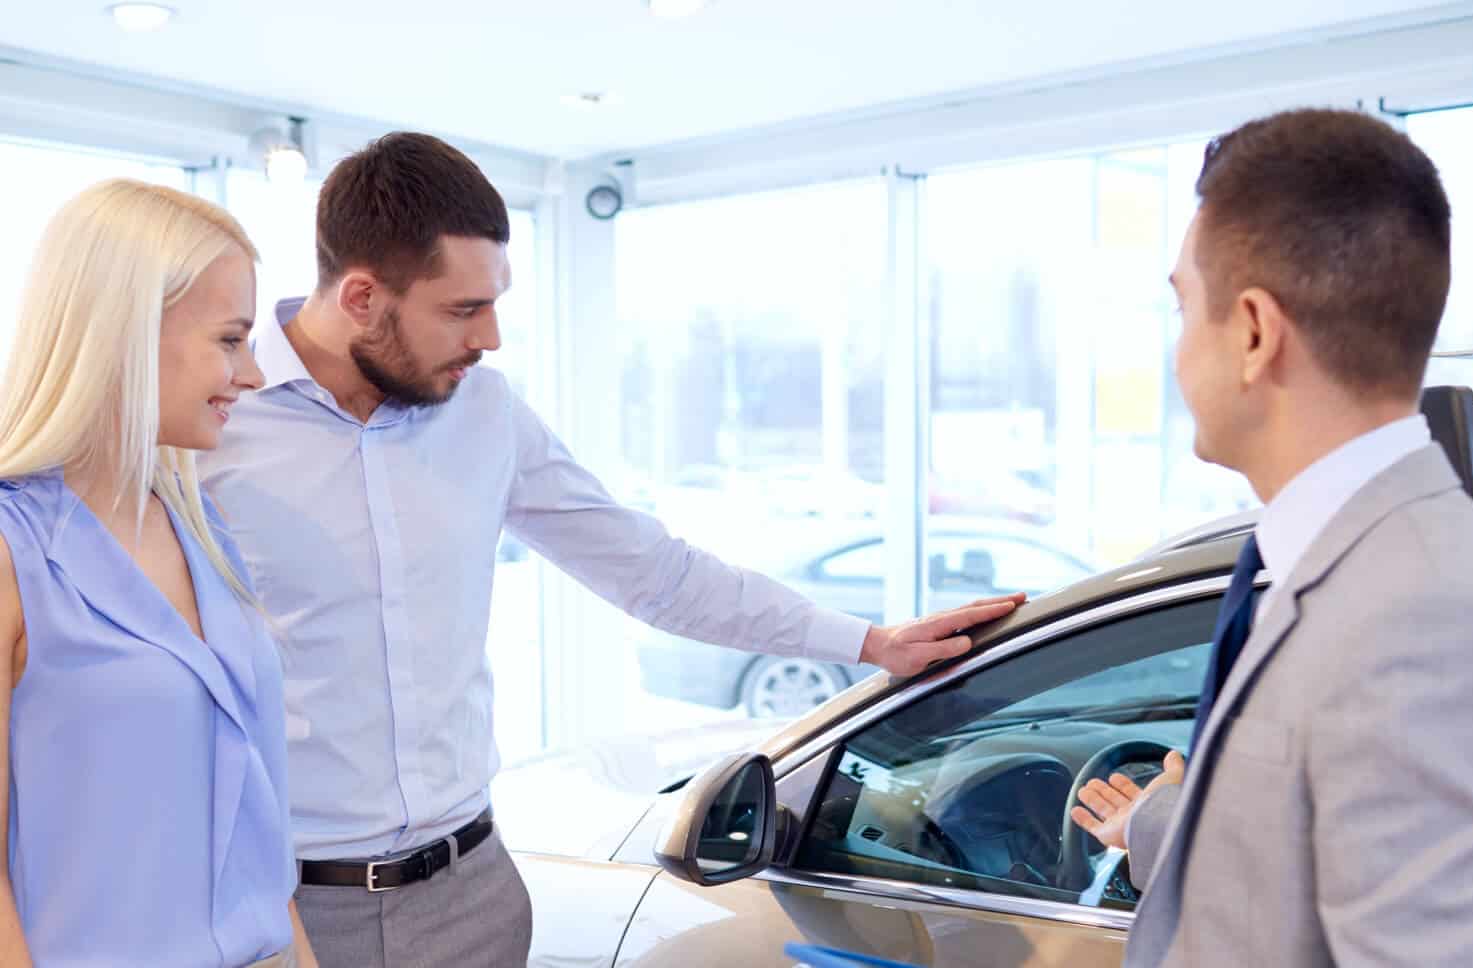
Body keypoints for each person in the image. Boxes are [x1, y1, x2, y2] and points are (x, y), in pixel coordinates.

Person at [197, 132, 1022, 968]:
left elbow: (651, 572)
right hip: (284, 904)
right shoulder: (207, 428)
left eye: (494, 302)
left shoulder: (484, 413)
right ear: (364, 297)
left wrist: (867, 643)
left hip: (471, 894)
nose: (490, 338)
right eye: (461, 310)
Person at [1069, 108, 1473, 967]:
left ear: (1249, 332)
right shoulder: (1329, 566)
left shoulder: (1425, 614)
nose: (1176, 354)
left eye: (1182, 308)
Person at [0, 181, 316, 966]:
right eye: (231, 339)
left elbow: (258, 849)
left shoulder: (202, 534)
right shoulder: (14, 554)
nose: (251, 373)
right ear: (129, 332)